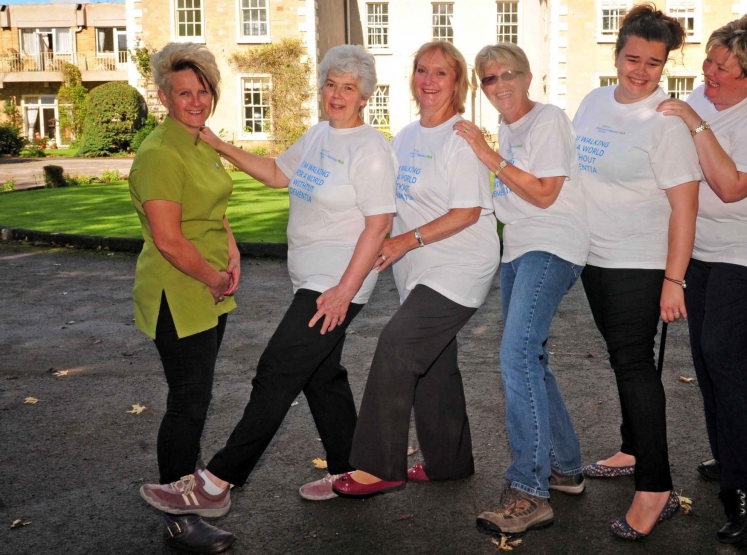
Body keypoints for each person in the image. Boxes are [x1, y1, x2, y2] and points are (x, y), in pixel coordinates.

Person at [138, 45, 396, 522]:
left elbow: (379, 224)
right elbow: (279, 173)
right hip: (312, 277)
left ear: (364, 97)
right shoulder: (319, 135)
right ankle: (356, 471)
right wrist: (219, 145)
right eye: (330, 84)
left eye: (348, 88)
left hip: (336, 283)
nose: (336, 95)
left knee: (277, 371)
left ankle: (217, 482)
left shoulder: (371, 148)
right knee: (322, 376)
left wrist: (343, 289)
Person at [331, 40, 500, 498]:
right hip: (421, 271)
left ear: (457, 83)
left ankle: (378, 466)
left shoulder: (460, 137)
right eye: (422, 70)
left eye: (441, 73)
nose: (429, 81)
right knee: (435, 365)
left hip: (460, 265)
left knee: (397, 348)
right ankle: (449, 462)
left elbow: (467, 211)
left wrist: (406, 240)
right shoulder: (405, 137)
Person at [657, 15, 747, 545]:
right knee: (704, 354)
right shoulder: (706, 94)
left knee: (723, 352)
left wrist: (695, 123)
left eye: (721, 66)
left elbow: (732, 185)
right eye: (709, 60)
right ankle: (730, 452)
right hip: (703, 247)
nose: (707, 71)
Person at [572, 4, 701, 541]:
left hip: (641, 263)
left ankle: (656, 489)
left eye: (654, 62)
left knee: (633, 365)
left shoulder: (666, 122)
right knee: (622, 359)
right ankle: (632, 448)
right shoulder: (594, 101)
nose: (641, 70)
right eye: (632, 58)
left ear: (665, 63)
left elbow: (686, 205)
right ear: (616, 52)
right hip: (592, 257)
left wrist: (675, 279)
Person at [453, 44, 590, 535]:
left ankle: (530, 492)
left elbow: (546, 192)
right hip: (519, 249)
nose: (500, 84)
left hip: (551, 245)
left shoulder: (547, 119)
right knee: (530, 359)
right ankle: (566, 467)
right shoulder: (510, 131)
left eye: (508, 74)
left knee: (515, 356)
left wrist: (485, 153)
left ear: (529, 76)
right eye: (488, 79)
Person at [128, 43, 240, 554]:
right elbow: (170, 240)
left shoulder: (201, 145)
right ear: (164, 96)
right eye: (183, 92)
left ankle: (184, 487)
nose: (195, 100)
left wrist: (232, 253)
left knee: (197, 397)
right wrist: (215, 279)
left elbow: (214, 210)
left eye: (203, 91)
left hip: (208, 287)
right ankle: (179, 518)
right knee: (188, 402)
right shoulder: (159, 154)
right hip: (180, 292)